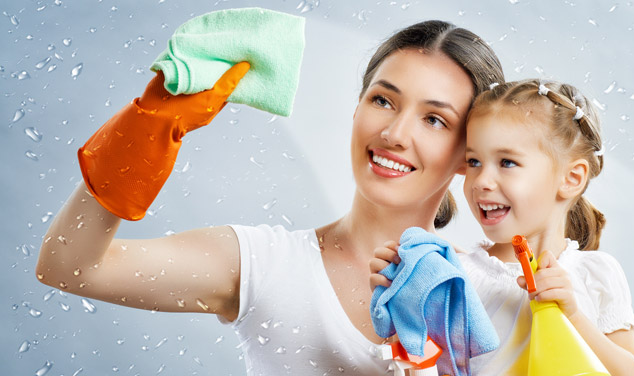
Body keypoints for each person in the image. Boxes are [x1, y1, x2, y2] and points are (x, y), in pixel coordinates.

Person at [35, 20, 504, 375]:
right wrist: (144, 131)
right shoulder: (267, 264)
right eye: (383, 100)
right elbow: (69, 266)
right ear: (357, 107)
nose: (394, 133)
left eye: (435, 120)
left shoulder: (494, 291)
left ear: (469, 154)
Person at [371, 79, 634, 375]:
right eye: (474, 161)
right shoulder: (456, 276)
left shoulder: (595, 275)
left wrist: (574, 315)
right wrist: (404, 306)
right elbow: (423, 365)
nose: (482, 181)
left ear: (571, 178)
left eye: (507, 162)